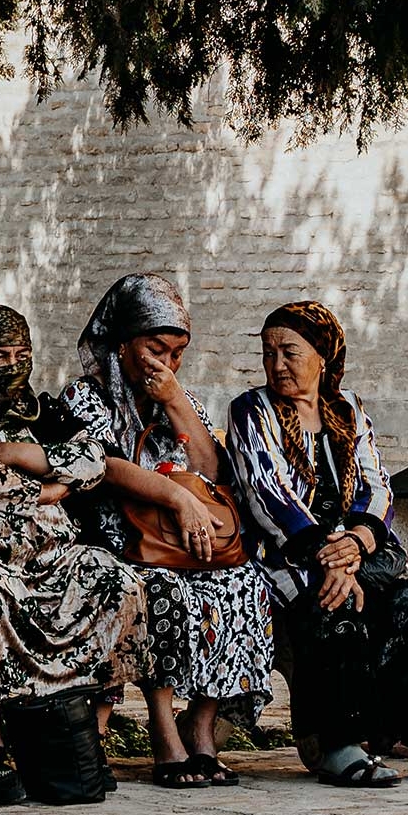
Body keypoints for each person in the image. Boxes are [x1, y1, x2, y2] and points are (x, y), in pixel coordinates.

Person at [0, 304, 151, 806]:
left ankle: (90, 739)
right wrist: (49, 486)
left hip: (57, 552)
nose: (13, 365)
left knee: (118, 583)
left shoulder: (45, 411)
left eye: (22, 354)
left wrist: (24, 458)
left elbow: (94, 460)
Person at [228, 300, 408, 787]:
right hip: (289, 553)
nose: (277, 365)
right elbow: (266, 492)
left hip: (356, 548)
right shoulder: (252, 411)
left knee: (406, 601)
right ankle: (338, 746)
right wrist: (329, 559)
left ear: (323, 355)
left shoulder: (348, 408)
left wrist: (358, 541)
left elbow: (377, 485)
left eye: (290, 352)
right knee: (330, 606)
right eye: (268, 353)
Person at [61, 274, 273, 789]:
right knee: (161, 592)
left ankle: (199, 727)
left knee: (247, 587)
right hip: (120, 538)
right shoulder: (86, 398)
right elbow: (105, 467)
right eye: (157, 348)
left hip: (190, 543)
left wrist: (177, 402)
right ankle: (163, 732)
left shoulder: (182, 399)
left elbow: (213, 471)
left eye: (177, 352)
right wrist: (177, 497)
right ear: (123, 343)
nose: (167, 363)